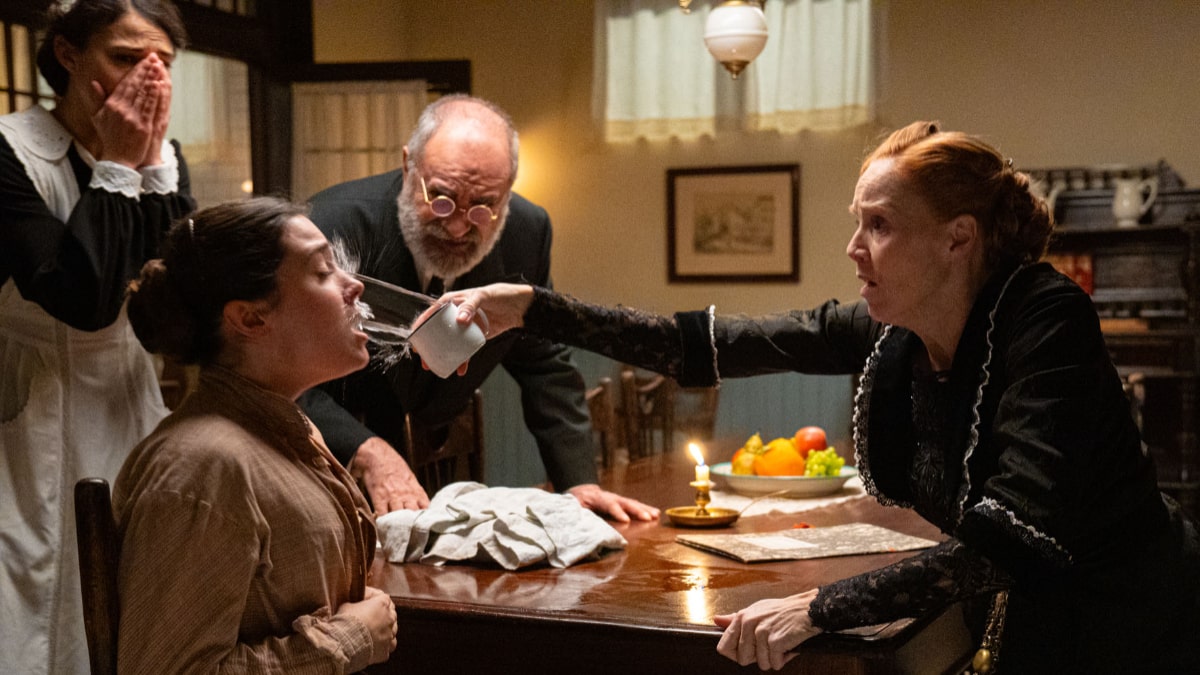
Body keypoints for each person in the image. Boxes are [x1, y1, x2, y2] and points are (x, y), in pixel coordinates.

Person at [444, 121, 1200, 672]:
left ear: (958, 237)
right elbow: (703, 345)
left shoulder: (1046, 317)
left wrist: (818, 607)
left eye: (880, 225)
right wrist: (532, 308)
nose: (854, 248)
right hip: (1025, 614)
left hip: (1134, 624)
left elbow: (1011, 540)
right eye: (857, 223)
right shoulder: (891, 330)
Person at [298, 94, 658, 522]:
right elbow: (281, 369)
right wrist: (364, 448)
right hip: (325, 465)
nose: (457, 227)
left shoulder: (527, 232)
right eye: (441, 198)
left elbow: (544, 365)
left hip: (436, 467)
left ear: (508, 191)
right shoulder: (331, 227)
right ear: (408, 165)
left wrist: (578, 484)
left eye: (484, 206)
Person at [116, 197, 397, 672]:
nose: (354, 286)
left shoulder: (280, 430)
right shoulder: (204, 465)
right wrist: (349, 638)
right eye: (323, 271)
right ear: (250, 319)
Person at [0, 1, 194, 672]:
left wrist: (151, 163)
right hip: (32, 399)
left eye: (163, 63)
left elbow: (184, 305)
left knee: (134, 583)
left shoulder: (165, 155)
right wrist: (117, 164)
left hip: (128, 396)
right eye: (125, 58)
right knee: (34, 590)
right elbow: (80, 299)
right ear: (67, 54)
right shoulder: (9, 149)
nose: (147, 78)